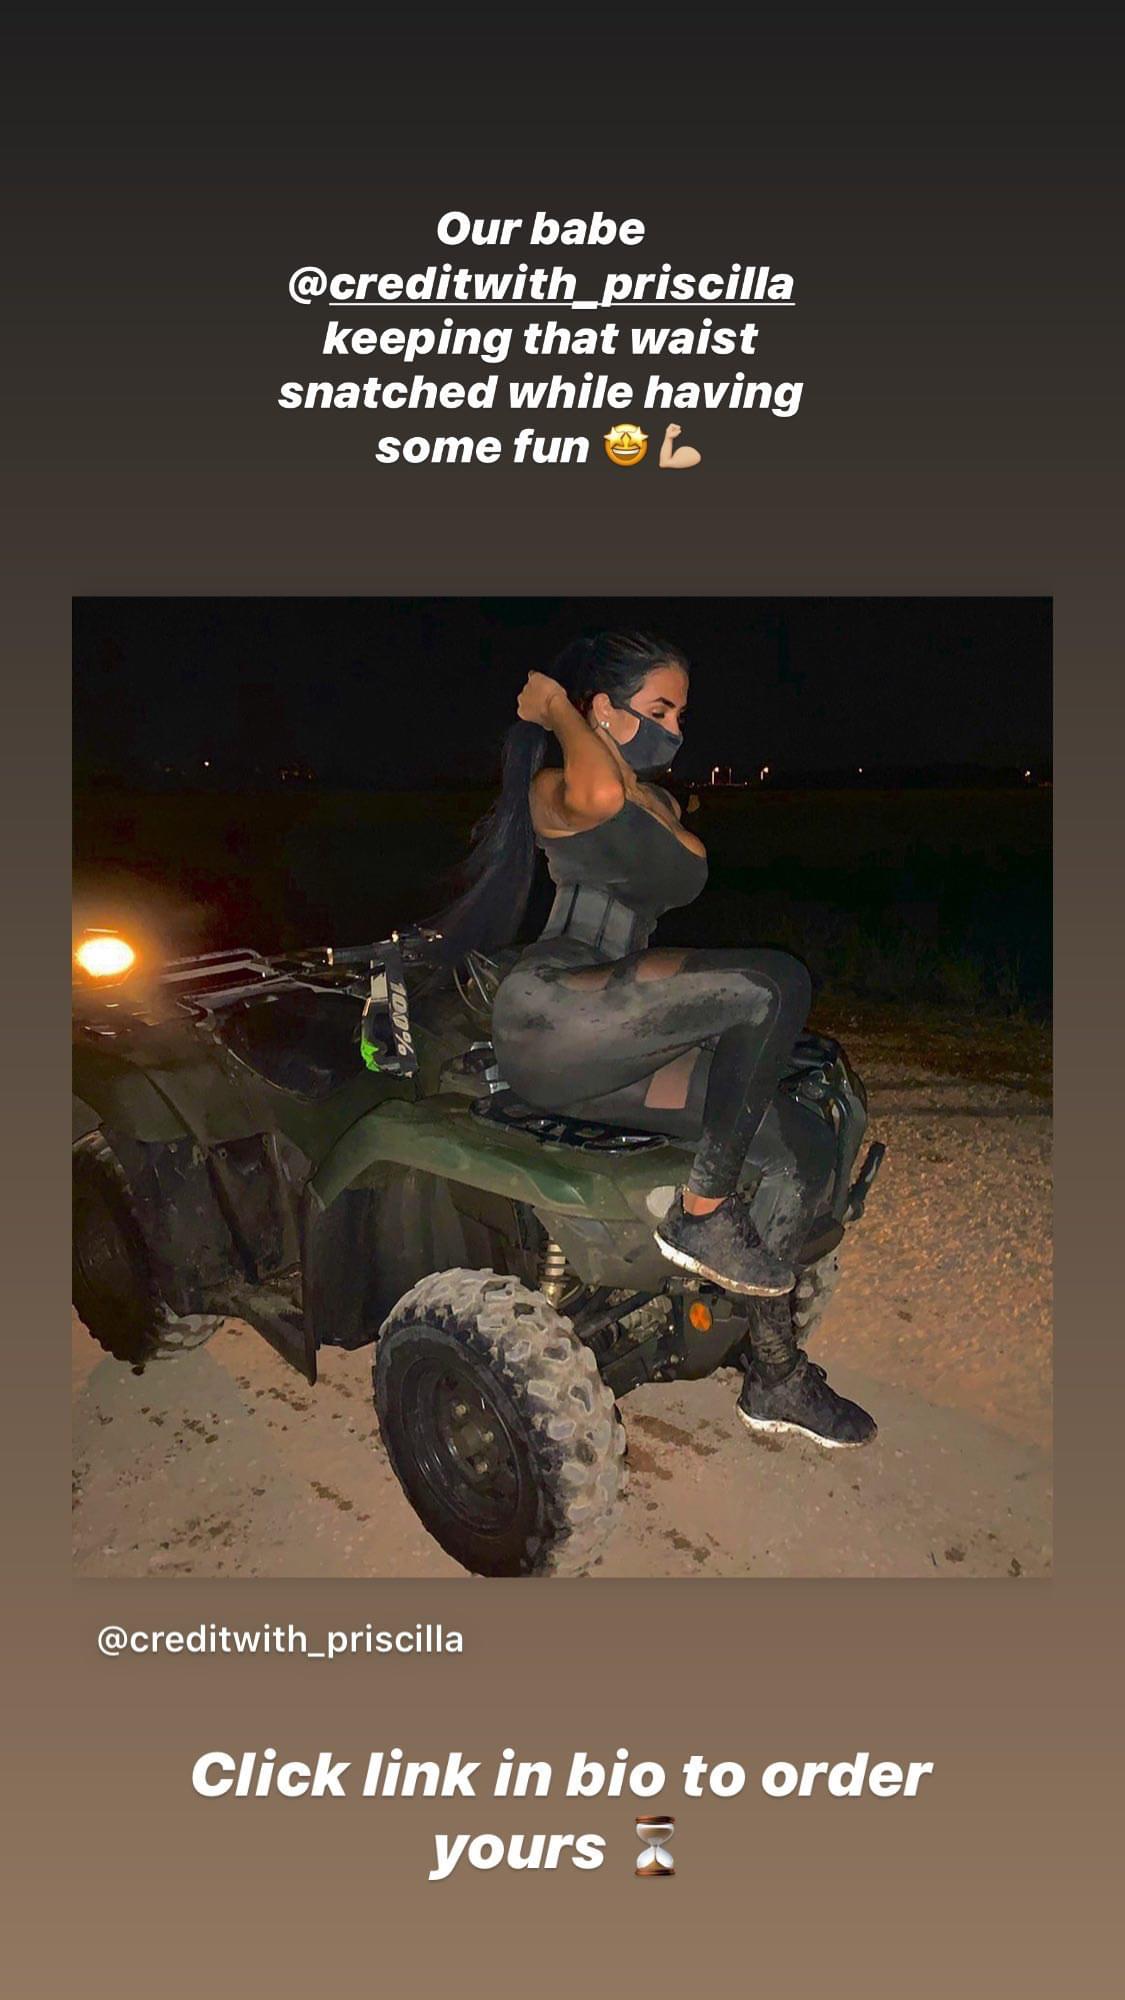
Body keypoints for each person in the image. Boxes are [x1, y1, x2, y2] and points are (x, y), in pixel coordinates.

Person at [421, 631, 875, 1448]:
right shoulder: (556, 787)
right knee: (770, 985)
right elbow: (600, 799)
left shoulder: (655, 802)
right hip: (555, 1014)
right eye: (659, 709)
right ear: (603, 708)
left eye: (681, 715)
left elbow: (678, 851)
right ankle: (702, 1213)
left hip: (619, 1036)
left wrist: (605, 752)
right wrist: (556, 712)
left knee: (795, 1142)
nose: (674, 729)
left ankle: (774, 1374)